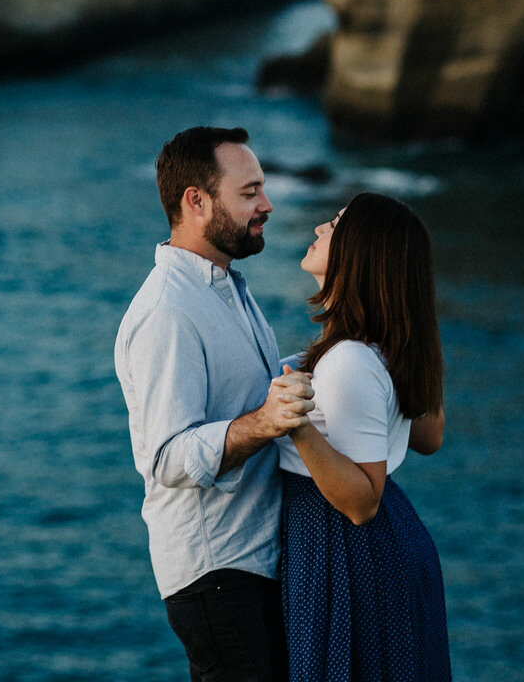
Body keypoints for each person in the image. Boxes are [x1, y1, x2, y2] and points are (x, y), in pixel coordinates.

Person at [115, 126, 315, 682]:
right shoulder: (167, 310)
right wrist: (264, 424)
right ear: (196, 202)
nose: (267, 205)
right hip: (218, 573)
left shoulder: (229, 289)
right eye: (250, 193)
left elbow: (256, 394)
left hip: (254, 564)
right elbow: (166, 457)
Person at [277, 192, 450, 682]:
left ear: (361, 254)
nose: (318, 229)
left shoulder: (350, 360)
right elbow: (430, 436)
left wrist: (296, 424)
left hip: (343, 544)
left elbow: (361, 501)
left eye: (334, 225)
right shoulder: (378, 350)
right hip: (383, 543)